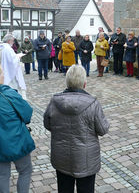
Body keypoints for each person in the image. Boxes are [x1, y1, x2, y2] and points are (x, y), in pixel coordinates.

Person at [43, 65, 109, 193]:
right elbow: (103, 129)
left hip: (62, 157)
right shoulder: (93, 103)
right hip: (86, 159)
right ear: (84, 83)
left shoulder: (54, 102)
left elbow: (48, 124)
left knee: (64, 189)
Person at [0, 64, 35, 193]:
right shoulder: (9, 94)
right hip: (17, 140)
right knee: (25, 170)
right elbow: (27, 113)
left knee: (2, 176)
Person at [0, 34, 27, 99]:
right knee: (12, 87)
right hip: (9, 72)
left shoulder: (2, 47)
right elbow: (12, 61)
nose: (13, 42)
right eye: (13, 41)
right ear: (9, 41)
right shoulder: (8, 49)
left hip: (3, 69)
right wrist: (18, 57)